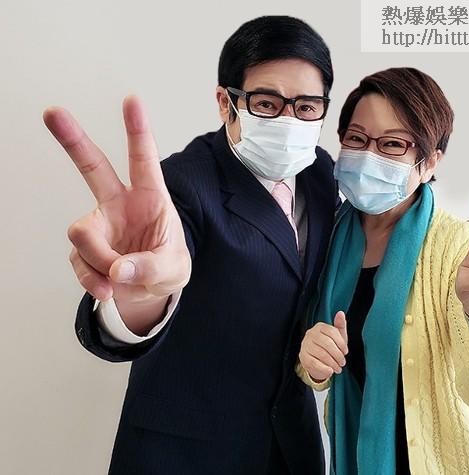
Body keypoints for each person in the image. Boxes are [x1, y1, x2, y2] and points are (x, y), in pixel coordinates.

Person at [43, 16, 339, 475]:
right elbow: (154, 272)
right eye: (266, 103)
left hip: (289, 446)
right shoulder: (181, 183)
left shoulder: (321, 173)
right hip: (185, 450)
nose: (289, 121)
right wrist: (138, 297)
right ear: (226, 102)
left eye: (306, 107)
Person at [297, 67, 469, 474]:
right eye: (356, 139)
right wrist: (311, 361)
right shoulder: (327, 236)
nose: (369, 155)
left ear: (429, 162)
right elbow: (314, 363)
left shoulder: (458, 248)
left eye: (393, 144)